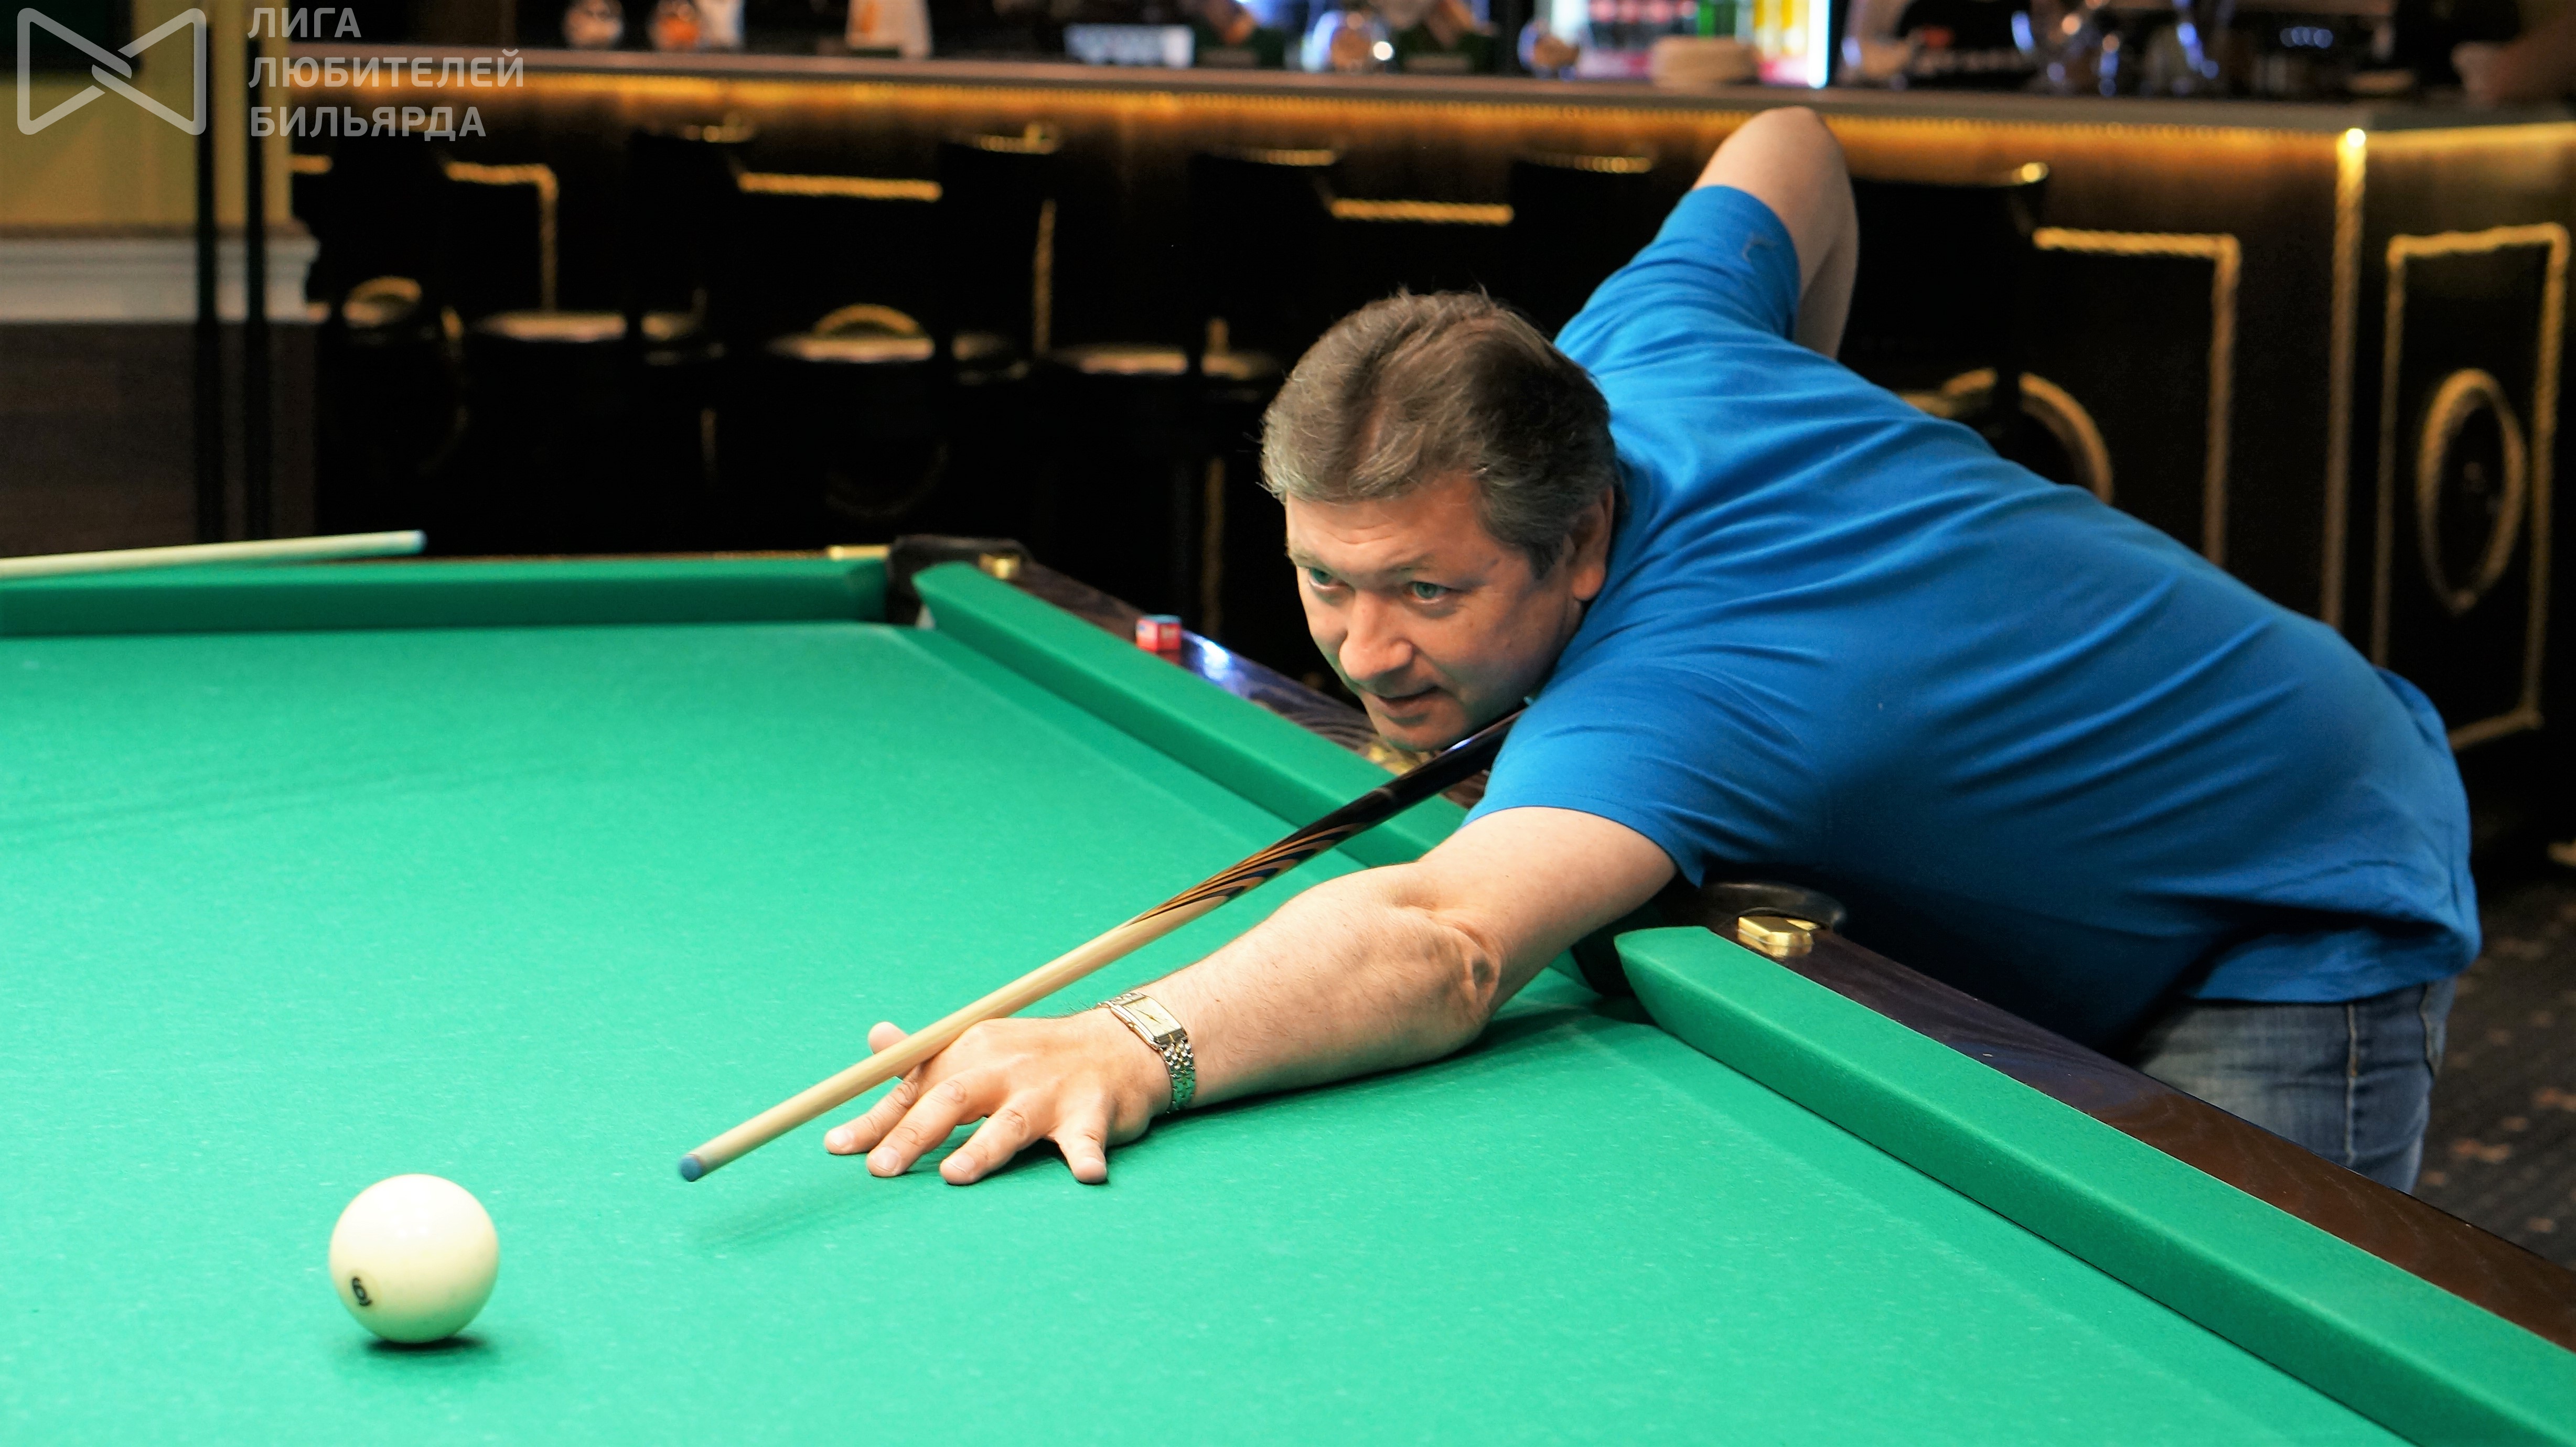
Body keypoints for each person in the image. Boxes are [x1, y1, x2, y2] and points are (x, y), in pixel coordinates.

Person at [823, 107, 2476, 1194]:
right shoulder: (1638, 341)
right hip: (2122, 788)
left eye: (1430, 594)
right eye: (1325, 580)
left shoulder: (1682, 694)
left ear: (1587, 541)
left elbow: (1444, 942)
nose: (1364, 651)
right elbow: (1790, 145)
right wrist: (1803, 402)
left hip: (2298, 870)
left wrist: (1129, 1044)